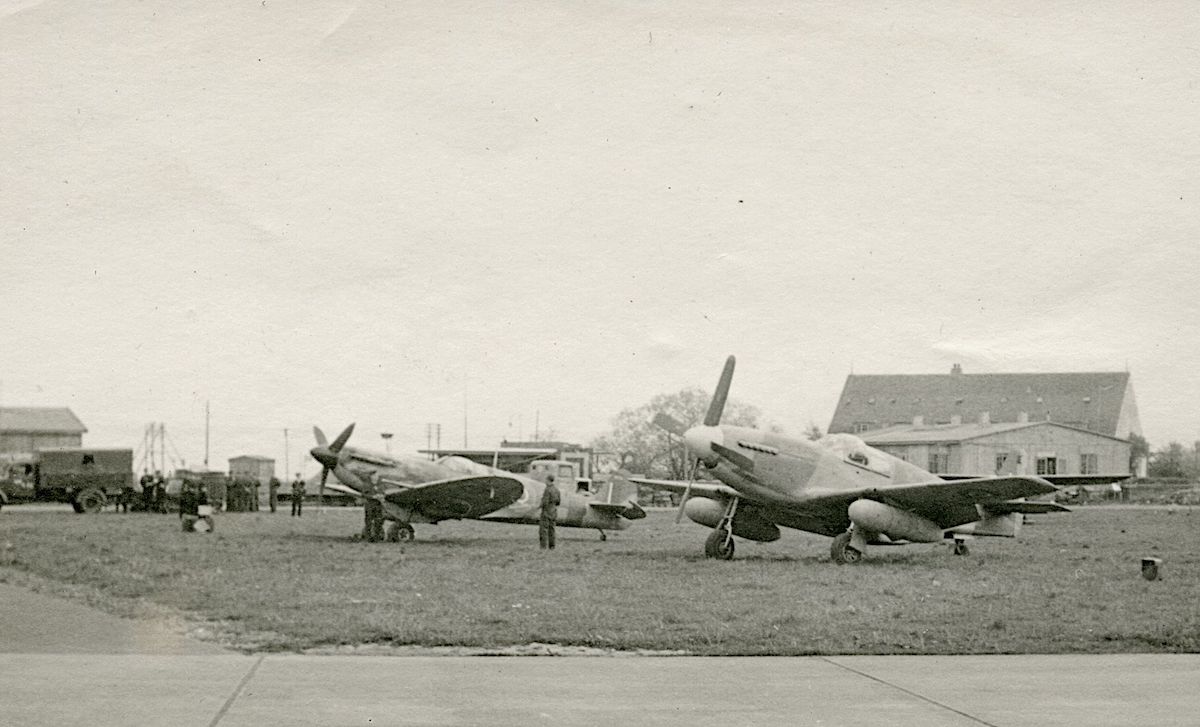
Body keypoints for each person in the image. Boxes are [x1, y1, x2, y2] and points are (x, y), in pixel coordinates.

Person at [539, 474, 561, 550]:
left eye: (546, 480)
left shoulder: (547, 489)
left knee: (543, 530)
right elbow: (558, 502)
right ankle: (552, 546)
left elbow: (545, 502)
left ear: (548, 480)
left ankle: (543, 546)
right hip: (554, 512)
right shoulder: (557, 490)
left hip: (546, 511)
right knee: (552, 530)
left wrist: (540, 506)